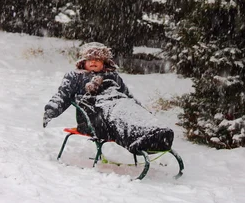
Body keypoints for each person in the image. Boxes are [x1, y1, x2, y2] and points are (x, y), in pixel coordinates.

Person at [43, 42, 174, 154]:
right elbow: (63, 95)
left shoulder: (112, 76)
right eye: (90, 59)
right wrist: (51, 110)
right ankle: (140, 138)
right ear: (83, 62)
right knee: (116, 110)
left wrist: (142, 111)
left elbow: (128, 96)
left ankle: (155, 132)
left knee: (126, 106)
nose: (93, 61)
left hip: (116, 104)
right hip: (92, 118)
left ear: (104, 62)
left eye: (97, 59)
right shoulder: (75, 76)